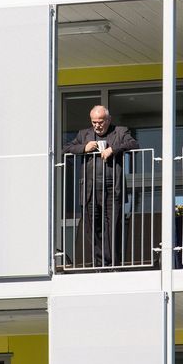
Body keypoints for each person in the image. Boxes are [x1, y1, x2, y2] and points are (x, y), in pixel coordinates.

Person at [63, 105, 138, 268]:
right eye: (94, 122)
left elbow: (133, 145)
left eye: (100, 121)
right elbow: (66, 148)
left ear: (108, 120)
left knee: (113, 227)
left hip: (113, 188)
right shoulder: (84, 134)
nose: (97, 125)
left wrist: (113, 149)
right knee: (93, 227)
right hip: (90, 190)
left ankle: (113, 264)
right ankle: (100, 263)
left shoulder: (120, 131)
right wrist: (84, 147)